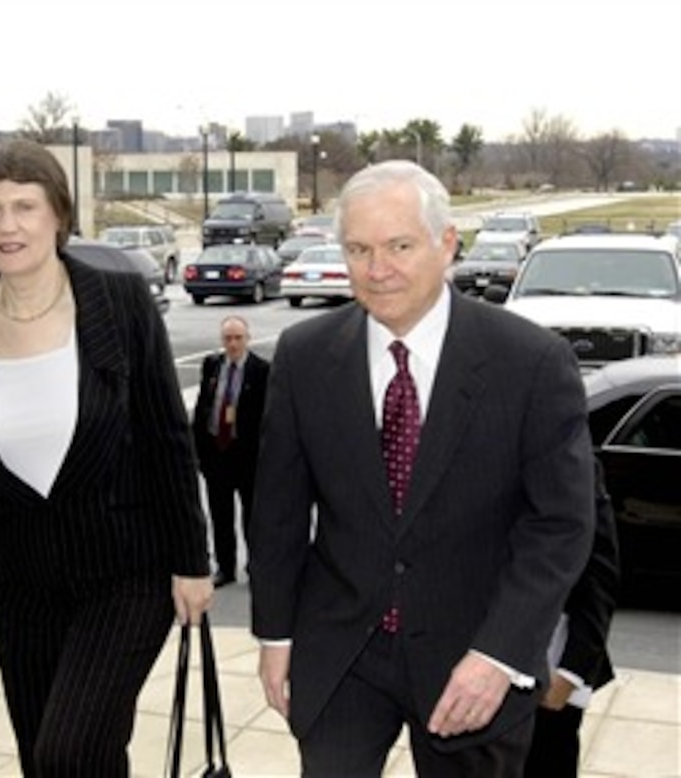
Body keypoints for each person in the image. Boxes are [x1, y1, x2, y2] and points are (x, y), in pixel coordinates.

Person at [249, 160, 595, 777]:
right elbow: (276, 513)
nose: (377, 270)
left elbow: (561, 525)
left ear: (446, 244)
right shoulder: (304, 358)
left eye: (399, 246)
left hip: (474, 654)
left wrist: (499, 653)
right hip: (342, 652)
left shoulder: (531, 363)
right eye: (358, 249)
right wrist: (275, 638)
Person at [0, 139, 213, 776]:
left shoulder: (120, 303)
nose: (7, 226)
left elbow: (166, 439)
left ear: (58, 216)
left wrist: (192, 561)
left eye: (25, 207)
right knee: (49, 761)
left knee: (69, 753)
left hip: (125, 574)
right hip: (22, 584)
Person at [525, 457, 621, 777]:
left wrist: (572, 672)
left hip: (550, 674)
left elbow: (599, 574)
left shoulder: (574, 458)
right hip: (466, 666)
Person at [191, 314, 269, 587]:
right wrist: (199, 451)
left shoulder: (262, 371)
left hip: (247, 456)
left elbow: (269, 419)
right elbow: (203, 407)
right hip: (217, 454)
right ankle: (225, 567)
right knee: (219, 514)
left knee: (252, 516)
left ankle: (256, 566)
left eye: (238, 338)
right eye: (228, 339)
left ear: (248, 339)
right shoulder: (212, 365)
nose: (233, 344)